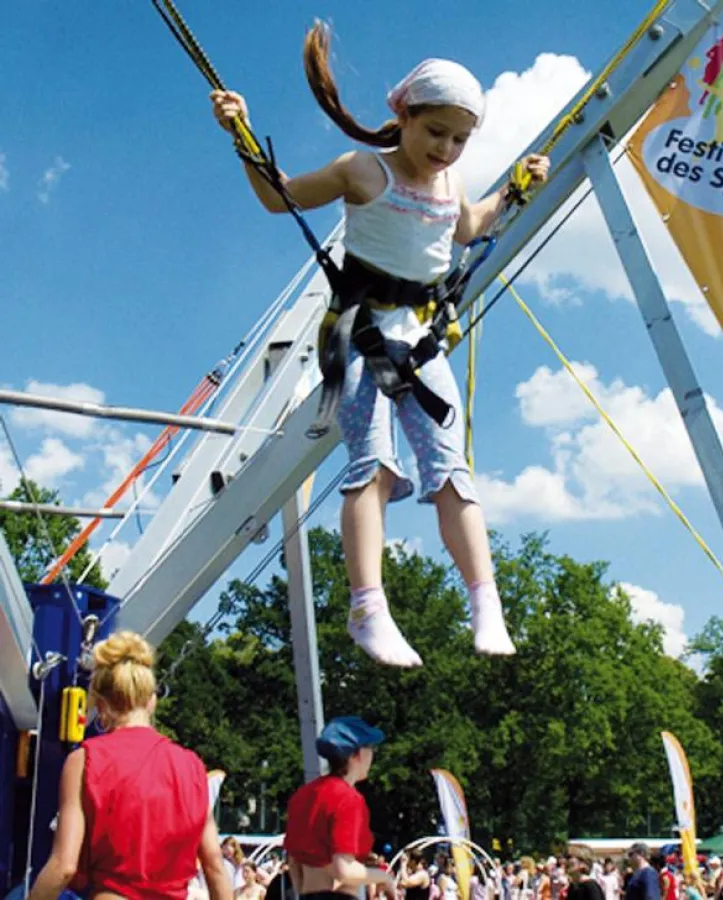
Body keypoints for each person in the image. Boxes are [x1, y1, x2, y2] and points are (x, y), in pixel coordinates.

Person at [210, 25, 549, 668]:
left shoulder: (450, 188)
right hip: (360, 337)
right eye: (435, 133)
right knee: (373, 468)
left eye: (459, 139)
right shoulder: (364, 171)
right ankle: (368, 606)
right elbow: (278, 199)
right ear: (404, 116)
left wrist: (515, 189)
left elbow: (471, 228)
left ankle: (486, 600)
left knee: (452, 471)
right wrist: (242, 135)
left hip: (419, 341)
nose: (446, 149)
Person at [28, 630, 231, 900]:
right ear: (152, 700)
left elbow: (63, 867)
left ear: (100, 705)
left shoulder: (85, 760)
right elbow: (215, 866)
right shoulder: (191, 766)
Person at [283, 715, 395, 900]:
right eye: (370, 747)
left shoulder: (303, 795)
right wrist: (385, 877)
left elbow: (294, 861)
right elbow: (343, 869)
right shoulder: (348, 799)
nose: (373, 754)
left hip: (306, 894)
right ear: (356, 754)